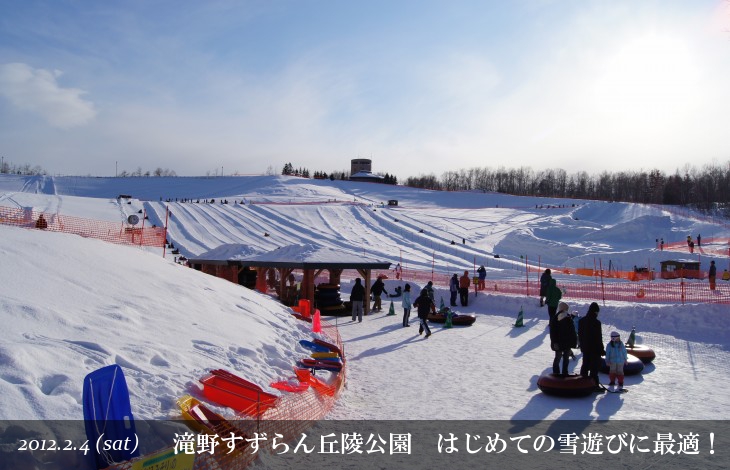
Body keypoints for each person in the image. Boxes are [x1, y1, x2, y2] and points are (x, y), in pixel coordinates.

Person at [578, 302, 604, 390]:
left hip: (585, 348)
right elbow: (598, 337)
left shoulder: (582, 321)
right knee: (594, 368)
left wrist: (582, 346)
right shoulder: (596, 323)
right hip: (595, 349)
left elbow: (580, 335)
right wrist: (601, 349)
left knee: (585, 365)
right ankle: (594, 385)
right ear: (595, 312)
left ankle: (582, 383)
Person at [550, 302, 577, 376]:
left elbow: (553, 332)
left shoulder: (558, 317)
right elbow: (572, 331)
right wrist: (574, 340)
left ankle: (557, 373)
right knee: (564, 359)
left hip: (561, 342)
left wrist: (554, 342)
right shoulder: (566, 317)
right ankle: (562, 373)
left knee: (559, 358)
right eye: (566, 309)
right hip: (564, 342)